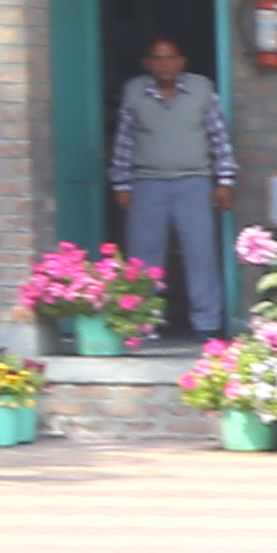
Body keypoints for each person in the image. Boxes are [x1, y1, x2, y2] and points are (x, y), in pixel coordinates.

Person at [110, 34, 235, 342]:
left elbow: (219, 137)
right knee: (143, 256)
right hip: (147, 182)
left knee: (200, 253)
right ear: (147, 63)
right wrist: (121, 183)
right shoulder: (135, 91)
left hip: (194, 181)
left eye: (171, 57)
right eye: (157, 58)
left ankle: (206, 324)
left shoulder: (201, 89)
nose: (164, 64)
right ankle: (144, 322)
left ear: (182, 61)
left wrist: (225, 180)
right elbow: (124, 140)